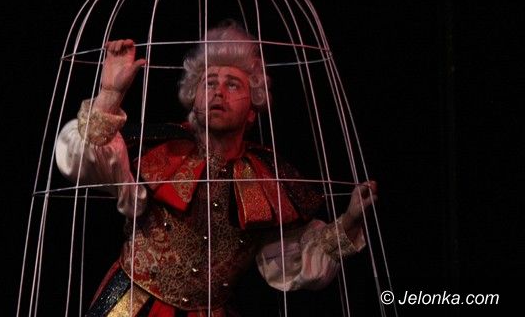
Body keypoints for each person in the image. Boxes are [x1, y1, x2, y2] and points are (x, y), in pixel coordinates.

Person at [55, 21, 377, 316]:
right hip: (133, 307)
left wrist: (348, 221)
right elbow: (87, 160)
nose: (218, 92)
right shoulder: (163, 149)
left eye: (233, 85)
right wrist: (111, 94)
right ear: (194, 98)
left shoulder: (265, 174)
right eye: (209, 83)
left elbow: (288, 255)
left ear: (253, 108)